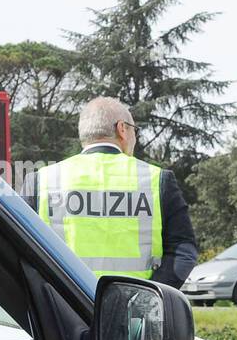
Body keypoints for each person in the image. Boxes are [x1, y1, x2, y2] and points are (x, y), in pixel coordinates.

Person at [26, 97, 197, 288]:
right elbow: (184, 251)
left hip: (63, 308)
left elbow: (22, 249)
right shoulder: (157, 179)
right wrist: (149, 299)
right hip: (134, 311)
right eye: (135, 130)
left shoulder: (42, 180)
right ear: (122, 129)